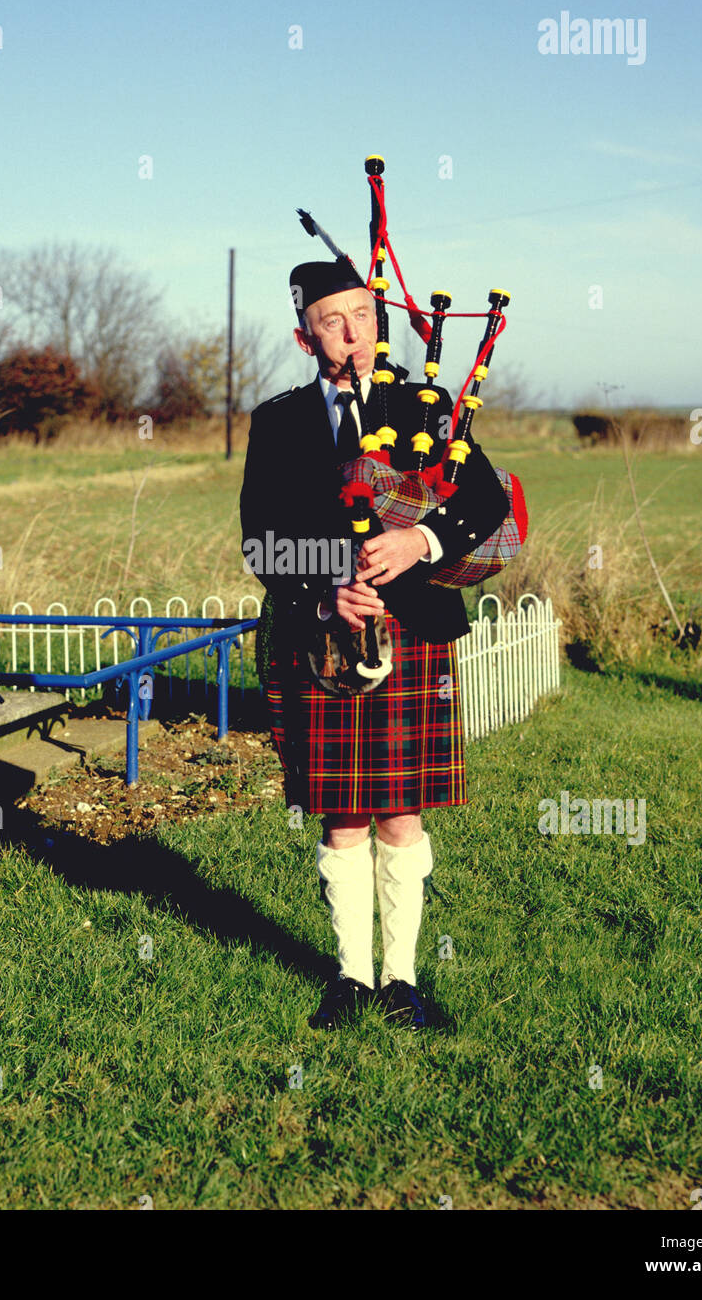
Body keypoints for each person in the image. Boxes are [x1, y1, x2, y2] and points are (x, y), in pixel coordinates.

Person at [240, 257, 509, 1029]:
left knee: (402, 814)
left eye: (363, 312)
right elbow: (262, 541)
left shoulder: (422, 403)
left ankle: (401, 979)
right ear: (305, 335)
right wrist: (326, 589)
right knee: (343, 816)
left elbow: (485, 501)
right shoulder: (279, 421)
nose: (353, 331)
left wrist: (418, 543)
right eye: (333, 319)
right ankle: (350, 978)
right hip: (325, 633)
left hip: (414, 626)